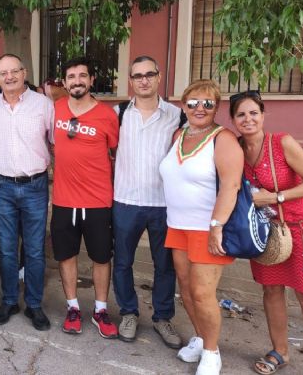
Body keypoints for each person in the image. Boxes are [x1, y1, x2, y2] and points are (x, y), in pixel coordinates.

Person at [159, 79, 243, 375]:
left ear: (216, 107)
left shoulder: (223, 139)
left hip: (207, 228)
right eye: (192, 102)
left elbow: (231, 186)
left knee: (202, 293)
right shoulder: (177, 135)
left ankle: (211, 352)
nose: (199, 108)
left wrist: (216, 226)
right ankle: (200, 336)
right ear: (183, 105)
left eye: (207, 103)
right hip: (177, 225)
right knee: (186, 287)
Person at [230, 91, 303, 375]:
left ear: (263, 115)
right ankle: (281, 351)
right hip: (264, 232)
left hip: (298, 226)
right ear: (233, 120)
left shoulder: (282, 143)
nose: (248, 119)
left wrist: (275, 197)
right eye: (241, 114)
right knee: (272, 289)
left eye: (254, 113)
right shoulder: (236, 149)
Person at [112, 56, 183, 348]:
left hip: (164, 203)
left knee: (164, 265)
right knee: (123, 262)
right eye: (137, 75)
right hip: (125, 201)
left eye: (149, 74)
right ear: (130, 80)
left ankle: (162, 317)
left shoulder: (178, 115)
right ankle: (128, 312)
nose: (143, 80)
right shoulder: (117, 114)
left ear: (158, 76)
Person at [0, 53, 54, 331]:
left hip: (35, 185)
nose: (9, 77)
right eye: (3, 73)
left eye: (14, 71)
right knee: (8, 250)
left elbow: (55, 144)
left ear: (24, 73)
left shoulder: (44, 105)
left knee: (35, 250)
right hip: (2, 186)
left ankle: (34, 304)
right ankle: (10, 300)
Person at [51, 57, 119, 337]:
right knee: (66, 256)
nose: (76, 81)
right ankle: (73, 307)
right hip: (63, 200)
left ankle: (100, 310)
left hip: (98, 201)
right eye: (71, 76)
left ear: (91, 80)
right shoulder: (55, 109)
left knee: (101, 257)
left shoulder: (107, 115)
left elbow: (115, 154)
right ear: (65, 82)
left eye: (82, 75)